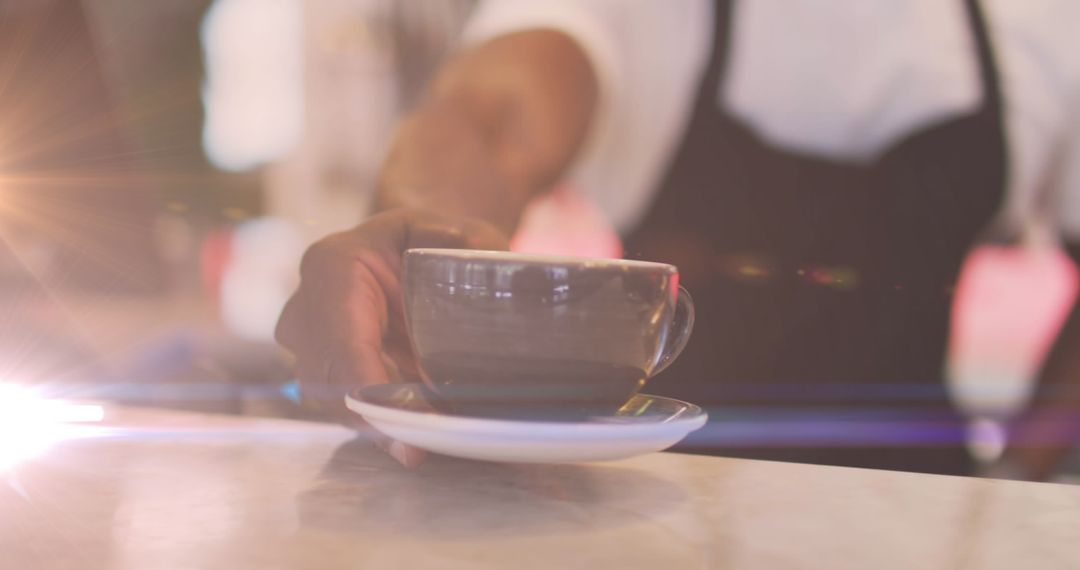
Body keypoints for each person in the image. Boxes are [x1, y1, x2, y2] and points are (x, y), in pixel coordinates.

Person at [275, 0, 1080, 477]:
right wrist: (422, 233)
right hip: (661, 512)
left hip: (923, 512)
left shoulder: (1043, 21)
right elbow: (487, 121)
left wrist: (1017, 479)